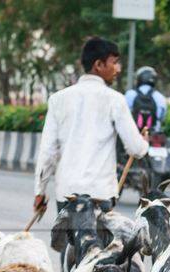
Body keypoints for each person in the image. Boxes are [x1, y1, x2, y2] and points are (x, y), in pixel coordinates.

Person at [33, 37, 149, 215]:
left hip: (67, 194)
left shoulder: (58, 99)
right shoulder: (115, 100)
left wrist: (40, 192)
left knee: (68, 243)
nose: (118, 69)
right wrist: (144, 142)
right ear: (99, 65)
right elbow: (136, 148)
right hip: (100, 195)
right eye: (115, 63)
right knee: (99, 244)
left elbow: (48, 151)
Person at [124, 66, 167, 133]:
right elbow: (162, 118)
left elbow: (124, 114)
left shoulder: (130, 94)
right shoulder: (160, 97)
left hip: (133, 135)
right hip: (153, 135)